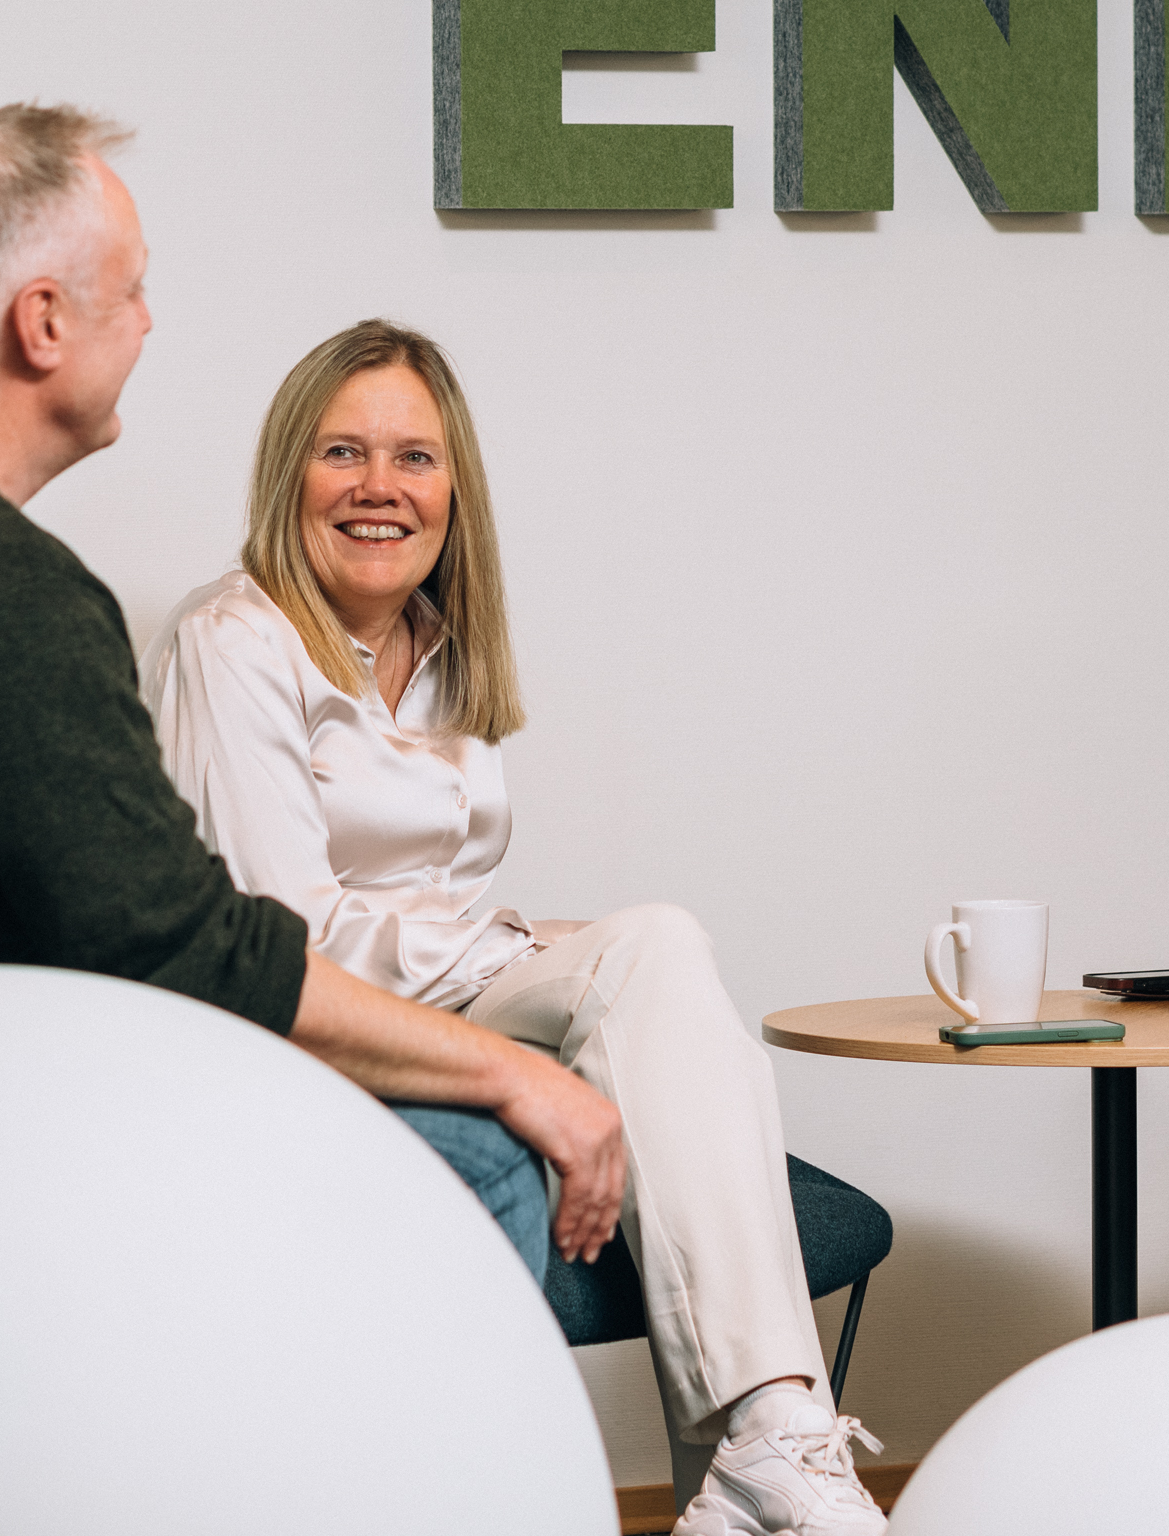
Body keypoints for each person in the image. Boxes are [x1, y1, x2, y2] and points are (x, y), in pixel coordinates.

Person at [0, 104, 625, 1277]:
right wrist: (516, 1070)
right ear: (43, 321)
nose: (147, 322)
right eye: (131, 289)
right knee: (483, 1158)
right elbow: (187, 952)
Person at [144, 320, 884, 1536]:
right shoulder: (232, 639)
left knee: (655, 943)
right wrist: (511, 950)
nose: (382, 487)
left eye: (416, 458)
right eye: (343, 451)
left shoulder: (439, 651)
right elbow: (286, 942)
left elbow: (435, 905)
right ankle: (770, 1447)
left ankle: (770, 1439)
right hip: (304, 1037)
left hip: (435, 1001)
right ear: (291, 474)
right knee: (644, 948)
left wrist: (531, 943)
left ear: (455, 488)